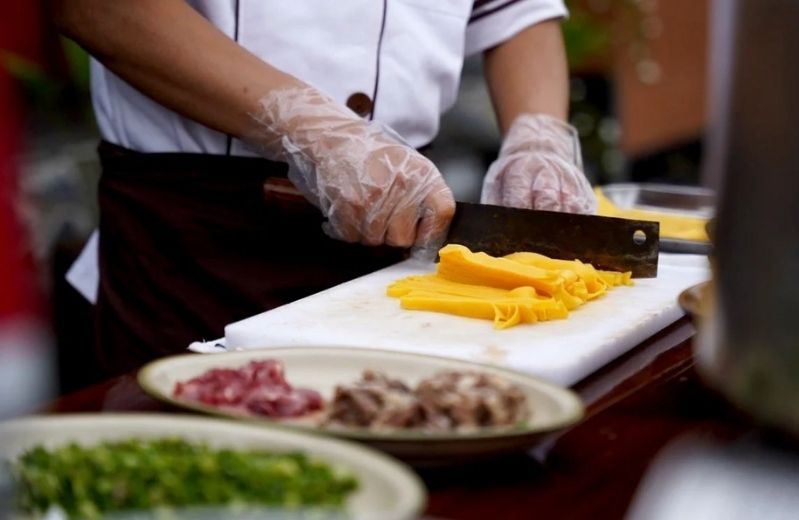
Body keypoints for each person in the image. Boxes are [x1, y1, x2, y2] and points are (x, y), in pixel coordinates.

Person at [53, 0, 596, 377]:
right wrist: (308, 127)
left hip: (400, 245)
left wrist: (539, 135)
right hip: (195, 250)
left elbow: (517, 12)